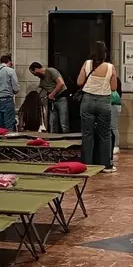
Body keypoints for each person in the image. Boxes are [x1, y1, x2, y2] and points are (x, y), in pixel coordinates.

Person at [77, 41, 118, 173]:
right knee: (105, 135)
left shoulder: (87, 64)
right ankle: (105, 165)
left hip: (87, 100)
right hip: (104, 102)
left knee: (87, 134)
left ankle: (87, 164)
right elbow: (114, 88)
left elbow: (79, 81)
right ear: (105, 52)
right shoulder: (110, 67)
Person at [29, 62, 68, 133]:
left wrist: (52, 94)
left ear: (36, 69)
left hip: (61, 98)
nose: (34, 75)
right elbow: (39, 90)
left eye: (33, 73)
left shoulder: (51, 71)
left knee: (63, 123)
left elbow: (61, 83)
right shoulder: (42, 80)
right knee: (52, 123)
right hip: (52, 102)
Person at [111, 72, 122, 156]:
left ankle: (116, 145)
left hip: (114, 105)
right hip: (110, 105)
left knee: (113, 127)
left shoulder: (115, 80)